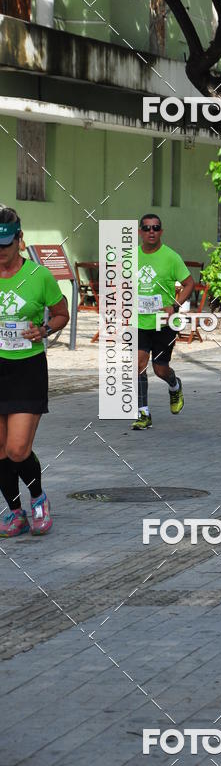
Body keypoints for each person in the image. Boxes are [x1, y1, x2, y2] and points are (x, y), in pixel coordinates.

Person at [0, 207, 69, 537]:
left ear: (19, 240)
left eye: (6, 243)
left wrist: (44, 329)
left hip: (26, 369)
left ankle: (38, 497)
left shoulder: (39, 276)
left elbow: (61, 313)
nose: (1, 251)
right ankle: (15, 512)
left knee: (17, 449)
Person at [133, 214, 194, 430]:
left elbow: (189, 284)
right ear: (140, 231)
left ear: (161, 231)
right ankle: (143, 413)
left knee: (160, 369)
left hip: (163, 322)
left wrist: (175, 306)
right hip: (139, 321)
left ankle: (174, 385)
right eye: (147, 228)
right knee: (139, 364)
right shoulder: (131, 256)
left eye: (156, 228)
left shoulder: (171, 257)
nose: (151, 231)